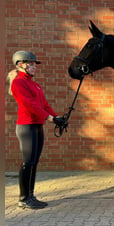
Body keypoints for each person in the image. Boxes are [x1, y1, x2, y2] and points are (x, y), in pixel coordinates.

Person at [7, 51, 65, 209]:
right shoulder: (18, 83)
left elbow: (44, 105)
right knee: (28, 162)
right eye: (31, 64)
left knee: (34, 162)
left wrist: (57, 117)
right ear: (20, 64)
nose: (34, 67)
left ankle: (31, 195)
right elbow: (29, 105)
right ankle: (24, 198)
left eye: (34, 64)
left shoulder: (35, 84)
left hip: (37, 126)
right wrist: (50, 119)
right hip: (27, 127)